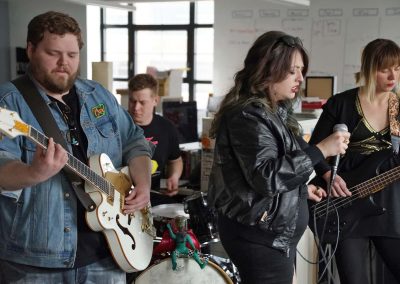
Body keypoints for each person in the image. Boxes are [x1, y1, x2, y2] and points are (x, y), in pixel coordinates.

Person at [0, 11, 154, 283]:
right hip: (36, 262)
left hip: (109, 253)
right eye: (53, 53)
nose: (64, 63)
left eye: (72, 55)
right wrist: (34, 173)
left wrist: (143, 185)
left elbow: (134, 140)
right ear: (31, 49)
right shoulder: (9, 104)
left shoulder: (99, 95)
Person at [207, 30, 350, 284]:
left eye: (302, 70)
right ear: (268, 70)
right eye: (292, 70)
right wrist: (322, 149)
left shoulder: (272, 112)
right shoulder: (248, 115)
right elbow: (267, 177)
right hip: (259, 239)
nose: (300, 78)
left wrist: (300, 193)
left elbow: (267, 178)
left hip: (270, 238)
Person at [309, 38, 400, 284]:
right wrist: (328, 174)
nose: (393, 75)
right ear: (369, 69)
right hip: (346, 203)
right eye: (385, 69)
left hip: (391, 205)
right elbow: (314, 150)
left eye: (398, 67)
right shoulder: (341, 103)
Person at [128, 73, 183, 202]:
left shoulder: (167, 128)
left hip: (153, 200)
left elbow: (175, 160)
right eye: (132, 101)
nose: (136, 108)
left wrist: (174, 177)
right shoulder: (118, 126)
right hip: (122, 200)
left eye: (142, 102)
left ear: (155, 101)